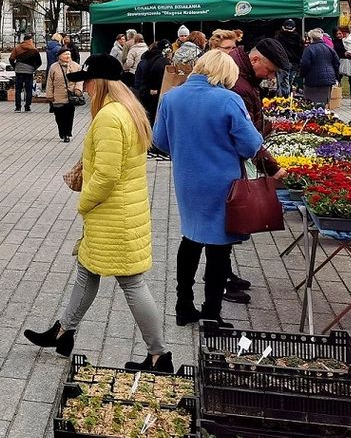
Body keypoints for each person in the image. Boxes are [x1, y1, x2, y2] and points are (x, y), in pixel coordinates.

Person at [23, 54, 172, 373]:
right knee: (87, 269)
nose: (85, 87)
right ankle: (63, 332)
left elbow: (106, 175)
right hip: (123, 211)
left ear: (100, 83)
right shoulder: (128, 110)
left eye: (87, 81)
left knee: (132, 282)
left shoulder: (109, 116)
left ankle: (159, 355)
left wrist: (84, 202)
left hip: (112, 214)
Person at [153, 51, 264, 328]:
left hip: (187, 180)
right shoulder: (229, 99)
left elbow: (160, 141)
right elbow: (251, 146)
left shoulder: (171, 98)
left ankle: (183, 306)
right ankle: (212, 313)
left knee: (190, 239)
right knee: (218, 249)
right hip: (221, 184)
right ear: (224, 73)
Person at [223, 37, 289, 303]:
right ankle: (221, 281)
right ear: (255, 60)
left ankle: (224, 274)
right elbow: (246, 136)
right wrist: (271, 166)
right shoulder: (239, 84)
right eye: (270, 71)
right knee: (222, 225)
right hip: (228, 161)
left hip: (227, 159)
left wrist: (266, 126)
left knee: (221, 227)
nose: (270, 77)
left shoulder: (245, 76)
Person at [45, 49, 82, 142]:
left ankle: (67, 134)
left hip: (71, 96)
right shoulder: (54, 67)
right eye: (65, 54)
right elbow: (50, 82)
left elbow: (80, 80)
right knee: (59, 116)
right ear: (60, 56)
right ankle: (62, 132)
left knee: (69, 116)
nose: (68, 56)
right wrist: (49, 95)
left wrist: (78, 89)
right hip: (58, 96)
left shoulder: (75, 66)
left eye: (69, 54)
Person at [300, 29, 339, 106]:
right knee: (324, 102)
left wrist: (302, 74)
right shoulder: (329, 48)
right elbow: (336, 63)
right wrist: (335, 76)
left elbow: (305, 64)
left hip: (312, 79)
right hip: (328, 79)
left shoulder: (309, 49)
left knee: (311, 102)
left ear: (311, 38)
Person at [134, 40, 168, 127]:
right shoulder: (159, 62)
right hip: (151, 94)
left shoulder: (143, 62)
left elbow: (137, 80)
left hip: (143, 93)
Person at [10, 35, 43, 112]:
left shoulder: (17, 48)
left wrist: (15, 66)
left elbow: (11, 58)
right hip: (29, 72)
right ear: (30, 40)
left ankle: (18, 107)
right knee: (28, 90)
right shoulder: (34, 50)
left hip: (19, 71)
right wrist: (34, 68)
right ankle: (27, 106)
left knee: (18, 90)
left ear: (24, 40)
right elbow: (39, 62)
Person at [275, 19, 301, 96]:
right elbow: (301, 51)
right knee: (289, 83)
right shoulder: (298, 38)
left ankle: (283, 101)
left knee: (282, 84)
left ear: (283, 27)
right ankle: (288, 101)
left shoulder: (278, 37)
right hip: (294, 63)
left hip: (282, 63)